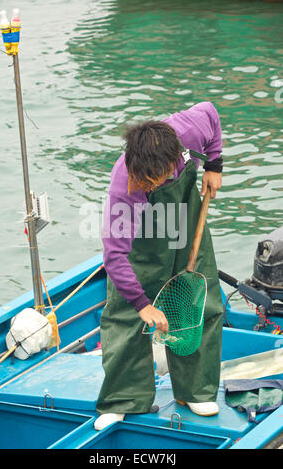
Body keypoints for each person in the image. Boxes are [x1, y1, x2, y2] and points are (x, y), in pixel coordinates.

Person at [95, 101, 224, 431]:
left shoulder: (188, 130)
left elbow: (211, 114)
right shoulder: (125, 186)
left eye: (156, 179)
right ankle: (123, 397)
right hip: (144, 237)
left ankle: (195, 390)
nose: (150, 185)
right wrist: (142, 305)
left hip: (186, 219)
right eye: (146, 182)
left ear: (174, 160)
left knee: (201, 300)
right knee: (124, 310)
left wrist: (215, 164)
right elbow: (114, 256)